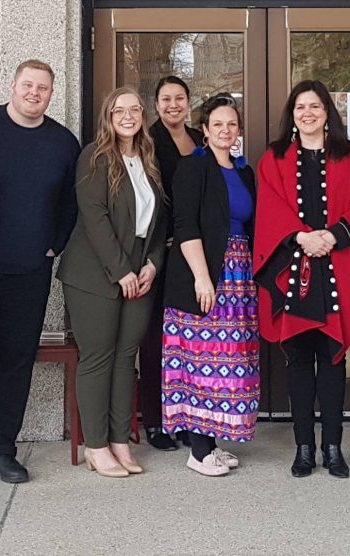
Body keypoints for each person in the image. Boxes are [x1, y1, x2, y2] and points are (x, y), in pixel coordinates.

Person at [0, 59, 80, 483]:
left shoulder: (63, 143)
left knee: (15, 360)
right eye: (28, 85)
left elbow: (69, 202)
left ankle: (0, 449)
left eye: (42, 88)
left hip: (29, 270)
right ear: (12, 85)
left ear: (50, 93)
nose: (34, 93)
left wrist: (53, 245)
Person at [254, 80, 350, 479]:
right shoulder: (273, 158)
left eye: (315, 106)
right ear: (292, 115)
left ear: (328, 112)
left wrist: (335, 235)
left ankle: (334, 447)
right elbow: (270, 207)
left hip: (336, 268)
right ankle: (304, 447)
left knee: (333, 358)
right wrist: (301, 237)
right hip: (293, 269)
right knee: (298, 360)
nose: (308, 113)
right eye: (300, 107)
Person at [57, 87, 165, 477]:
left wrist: (152, 264)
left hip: (140, 273)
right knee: (99, 357)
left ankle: (121, 441)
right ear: (108, 115)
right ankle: (96, 446)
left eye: (135, 109)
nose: (128, 115)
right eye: (119, 109)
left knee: (125, 359)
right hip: (94, 275)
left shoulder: (149, 160)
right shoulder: (95, 157)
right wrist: (122, 271)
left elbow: (158, 223)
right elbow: (95, 217)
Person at [161, 93, 260, 476]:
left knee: (229, 360)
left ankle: (214, 442)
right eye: (217, 124)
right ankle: (199, 450)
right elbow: (185, 224)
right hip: (203, 272)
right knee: (202, 360)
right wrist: (204, 278)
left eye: (231, 124)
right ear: (204, 129)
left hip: (239, 276)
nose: (225, 130)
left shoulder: (243, 170)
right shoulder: (192, 168)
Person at [141, 75, 203, 451]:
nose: (173, 105)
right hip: (161, 249)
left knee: (185, 341)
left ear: (189, 101)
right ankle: (154, 420)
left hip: (194, 252)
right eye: (166, 99)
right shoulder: (147, 140)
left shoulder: (200, 139)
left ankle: (181, 417)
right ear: (157, 104)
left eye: (179, 98)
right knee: (153, 340)